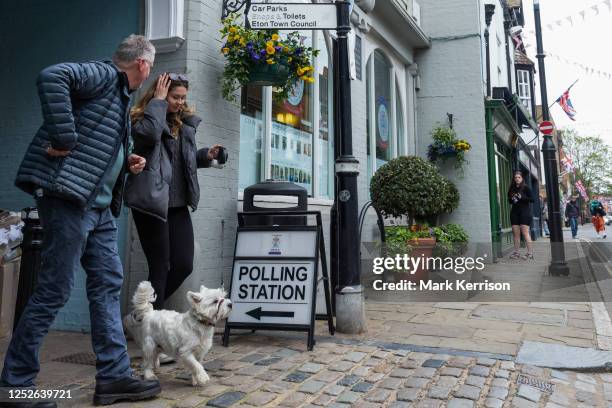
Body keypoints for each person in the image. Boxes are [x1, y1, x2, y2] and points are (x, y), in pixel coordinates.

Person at [1, 35, 162, 407]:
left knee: (107, 284)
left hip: (99, 208)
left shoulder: (118, 98)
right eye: (150, 67)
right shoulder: (104, 75)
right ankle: (14, 386)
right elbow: (52, 76)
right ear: (142, 64)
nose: (149, 72)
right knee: (54, 289)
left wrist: (128, 161)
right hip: (69, 201)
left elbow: (100, 148)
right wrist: (64, 136)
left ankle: (114, 378)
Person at [125, 73, 224, 311]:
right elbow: (148, 136)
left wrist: (205, 156)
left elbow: (179, 161)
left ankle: (143, 314)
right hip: (152, 203)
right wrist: (157, 102)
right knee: (160, 266)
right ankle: (150, 325)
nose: (180, 102)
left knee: (183, 264)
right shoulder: (142, 118)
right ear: (160, 93)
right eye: (174, 97)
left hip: (177, 205)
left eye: (183, 98)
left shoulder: (182, 124)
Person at [508, 170, 534, 259]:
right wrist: (513, 198)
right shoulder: (512, 188)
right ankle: (516, 253)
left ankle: (530, 253)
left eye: (519, 177)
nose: (517, 179)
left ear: (522, 178)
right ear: (513, 179)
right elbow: (509, 201)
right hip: (514, 212)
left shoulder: (526, 188)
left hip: (525, 212)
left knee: (525, 233)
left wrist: (522, 197)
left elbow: (532, 199)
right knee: (516, 234)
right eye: (515, 177)